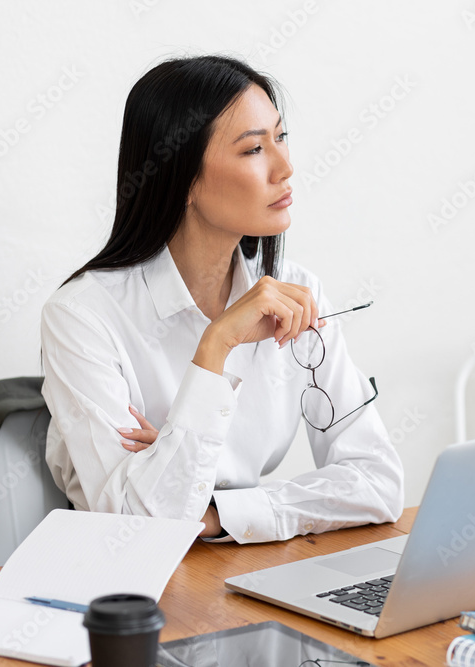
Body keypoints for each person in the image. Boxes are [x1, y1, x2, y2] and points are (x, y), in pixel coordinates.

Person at [40, 55, 403, 543]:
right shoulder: (82, 317)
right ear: (184, 179)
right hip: (124, 589)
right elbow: (138, 527)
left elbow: (378, 482)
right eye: (254, 149)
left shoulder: (297, 292)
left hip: (238, 565)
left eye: (281, 137)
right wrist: (216, 345)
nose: (285, 167)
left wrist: (217, 511)